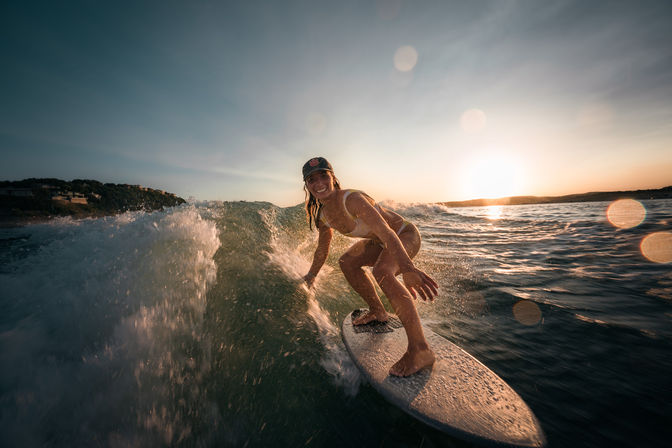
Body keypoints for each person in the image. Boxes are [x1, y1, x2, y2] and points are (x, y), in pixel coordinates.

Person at [301, 157, 439, 376]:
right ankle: (378, 311)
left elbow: (387, 232)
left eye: (323, 176)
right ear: (306, 185)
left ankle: (420, 349)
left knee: (382, 271)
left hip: (403, 234)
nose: (318, 183)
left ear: (333, 177)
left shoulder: (353, 199)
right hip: (379, 243)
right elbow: (322, 250)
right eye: (311, 179)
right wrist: (311, 276)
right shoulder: (322, 215)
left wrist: (408, 267)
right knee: (347, 262)